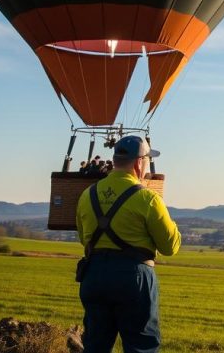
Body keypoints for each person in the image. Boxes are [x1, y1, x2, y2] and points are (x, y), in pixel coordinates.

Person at [76, 136, 181, 353]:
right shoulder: (148, 199)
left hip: (93, 274)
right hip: (134, 277)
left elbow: (83, 238)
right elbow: (170, 247)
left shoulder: (87, 195)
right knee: (141, 346)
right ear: (138, 163)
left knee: (95, 346)